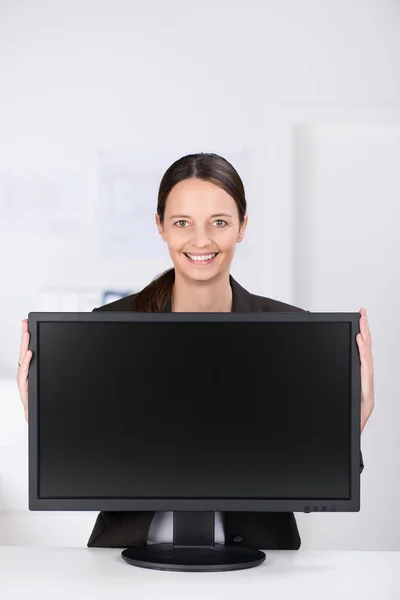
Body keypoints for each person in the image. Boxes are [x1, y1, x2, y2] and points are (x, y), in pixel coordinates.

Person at [16, 152, 374, 550]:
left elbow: (303, 469)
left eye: (219, 222)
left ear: (242, 227)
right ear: (160, 227)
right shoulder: (113, 326)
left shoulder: (291, 330)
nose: (200, 240)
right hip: (124, 561)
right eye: (182, 223)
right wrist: (46, 423)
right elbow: (92, 462)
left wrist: (346, 427)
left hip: (263, 563)